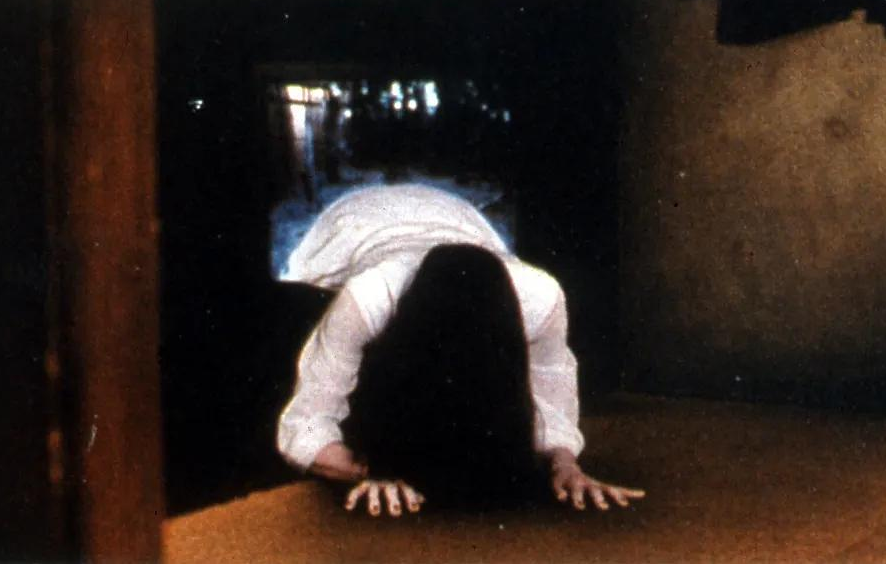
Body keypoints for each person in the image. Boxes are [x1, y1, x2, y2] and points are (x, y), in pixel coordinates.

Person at [276, 183, 645, 516]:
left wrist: (565, 465)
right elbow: (305, 423)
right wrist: (369, 470)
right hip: (351, 225)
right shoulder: (369, 297)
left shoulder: (540, 298)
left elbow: (553, 402)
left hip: (459, 218)